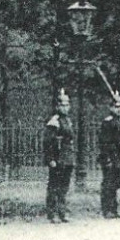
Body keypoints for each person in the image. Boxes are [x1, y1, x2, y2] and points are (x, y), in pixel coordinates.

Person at [44, 90, 74, 223]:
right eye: (62, 105)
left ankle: (62, 212)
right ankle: (53, 213)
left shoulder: (68, 120)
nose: (65, 107)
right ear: (57, 106)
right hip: (57, 158)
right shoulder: (54, 122)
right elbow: (48, 142)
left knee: (64, 187)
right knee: (54, 186)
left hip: (67, 158)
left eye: (67, 105)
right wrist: (50, 159)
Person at [98, 93, 120, 218]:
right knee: (108, 184)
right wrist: (107, 158)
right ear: (111, 108)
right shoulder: (107, 122)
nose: (119, 109)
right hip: (110, 155)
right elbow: (104, 142)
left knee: (115, 184)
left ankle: (114, 209)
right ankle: (107, 209)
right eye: (116, 106)